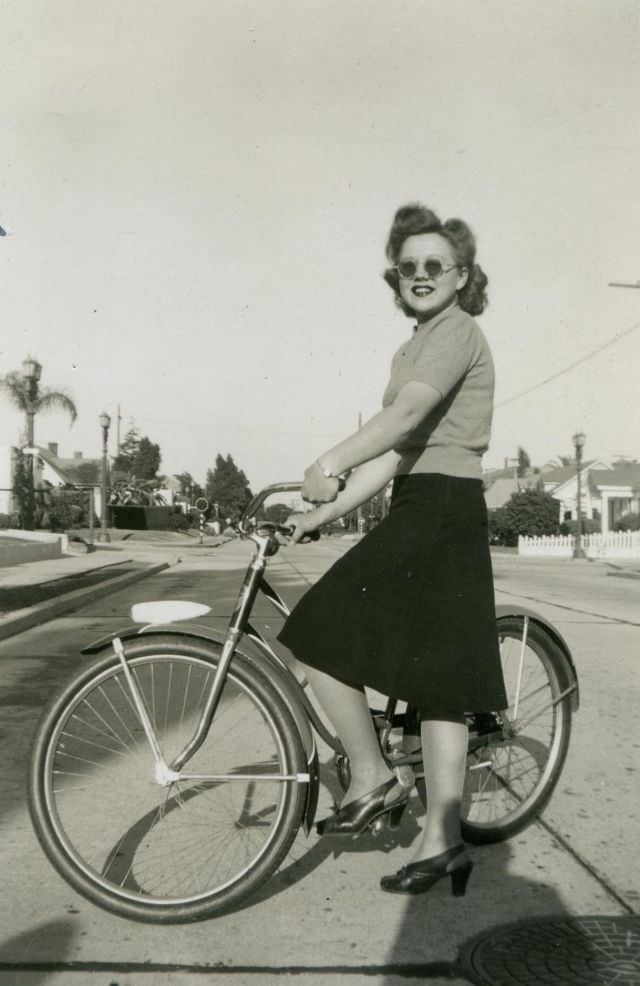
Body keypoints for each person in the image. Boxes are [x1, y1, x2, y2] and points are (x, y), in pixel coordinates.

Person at [278, 203, 508, 897]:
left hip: (441, 507)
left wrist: (327, 457)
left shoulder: (457, 331)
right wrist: (324, 510)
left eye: (435, 264)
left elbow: (403, 419)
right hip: (424, 502)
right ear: (395, 277)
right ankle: (444, 844)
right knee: (438, 680)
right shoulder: (413, 348)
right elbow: (395, 457)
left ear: (461, 275)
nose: (420, 274)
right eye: (407, 266)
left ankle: (373, 776)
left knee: (315, 632)